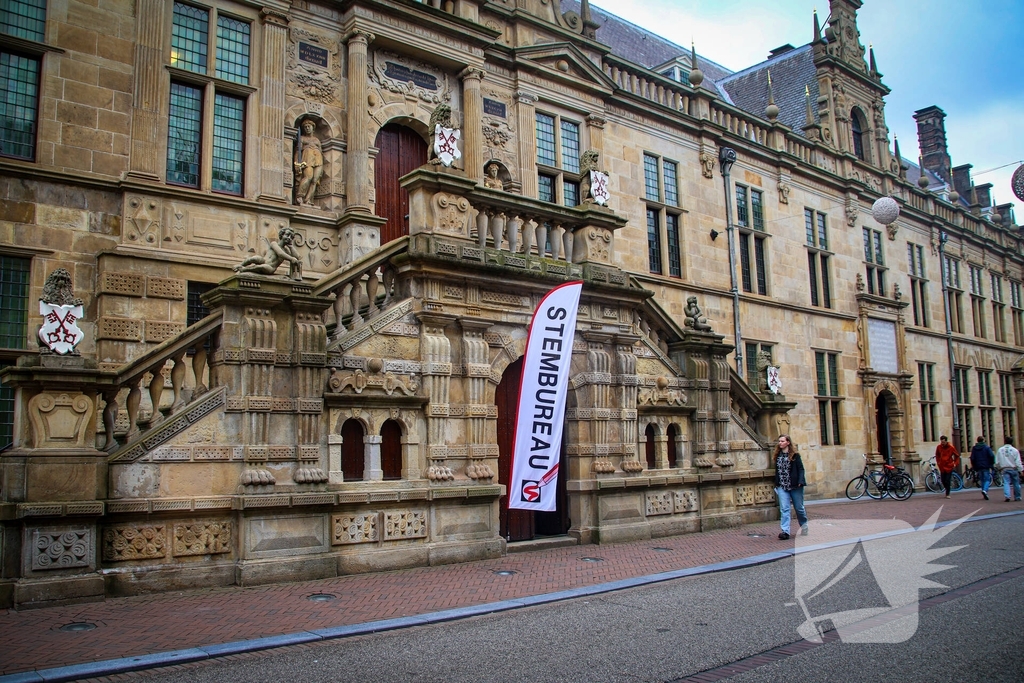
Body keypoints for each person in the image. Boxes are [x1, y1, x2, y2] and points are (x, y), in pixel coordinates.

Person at [234, 227, 303, 281]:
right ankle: (240, 265)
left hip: (270, 268)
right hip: (263, 261)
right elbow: (280, 253)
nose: (289, 238)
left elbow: (297, 257)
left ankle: (244, 269)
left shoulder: (287, 250)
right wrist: (291, 258)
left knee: (261, 267)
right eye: (287, 235)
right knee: (254, 258)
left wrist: (291, 246)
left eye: (291, 237)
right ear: (282, 235)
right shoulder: (274, 243)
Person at [773, 434, 807, 540]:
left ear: (788, 442)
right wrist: (777, 483)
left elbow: (801, 469)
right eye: (779, 441)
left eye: (782, 441)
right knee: (784, 509)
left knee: (799, 508)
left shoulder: (795, 455)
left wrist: (801, 481)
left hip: (795, 485)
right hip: (782, 486)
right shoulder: (777, 455)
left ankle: (804, 526)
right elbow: (777, 471)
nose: (780, 443)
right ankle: (785, 531)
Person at [293, 119, 323, 206]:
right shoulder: (302, 138)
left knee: (315, 180)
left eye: (308, 127)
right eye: (305, 127)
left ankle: (308, 199)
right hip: (307, 160)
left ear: (313, 128)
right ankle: (300, 196)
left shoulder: (317, 140)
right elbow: (298, 151)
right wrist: (296, 163)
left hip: (318, 160)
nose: (307, 128)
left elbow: (321, 151)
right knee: (308, 177)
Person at [994, 436, 1023, 502]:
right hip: (1013, 468)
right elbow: (1018, 461)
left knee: (1006, 482)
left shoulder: (1000, 450)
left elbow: (997, 461)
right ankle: (1017, 496)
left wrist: (999, 468)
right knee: (1016, 483)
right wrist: (1020, 469)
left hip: (1004, 469)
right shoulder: (1015, 450)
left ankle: (1007, 496)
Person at [969, 435, 996, 500]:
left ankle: (984, 492)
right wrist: (991, 463)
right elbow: (992, 455)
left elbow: (972, 458)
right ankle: (985, 490)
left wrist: (974, 465)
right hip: (986, 465)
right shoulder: (986, 447)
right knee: (987, 479)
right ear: (983, 440)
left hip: (978, 466)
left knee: (982, 479)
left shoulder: (974, 448)